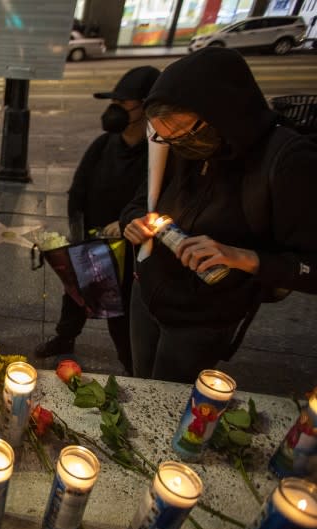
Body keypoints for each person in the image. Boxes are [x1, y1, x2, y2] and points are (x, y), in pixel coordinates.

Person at [120, 48, 317, 384]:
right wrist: (134, 221)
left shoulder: (287, 162)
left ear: (222, 114)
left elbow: (310, 265)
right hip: (147, 294)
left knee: (170, 401)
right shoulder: (179, 146)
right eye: (165, 136)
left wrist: (242, 257)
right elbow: (140, 201)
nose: (176, 143)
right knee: (142, 386)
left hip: (202, 319)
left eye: (184, 132)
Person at [35, 66, 161, 374]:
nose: (113, 112)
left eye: (122, 105)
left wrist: (129, 223)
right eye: (113, 104)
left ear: (145, 108)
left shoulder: (157, 155)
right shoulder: (104, 145)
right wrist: (77, 236)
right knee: (75, 297)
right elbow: (78, 190)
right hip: (92, 241)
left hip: (129, 251)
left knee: (121, 314)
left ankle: (133, 367)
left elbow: (160, 202)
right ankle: (65, 338)